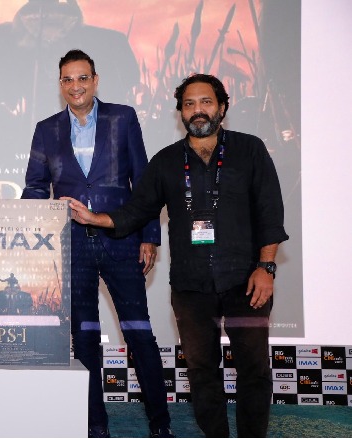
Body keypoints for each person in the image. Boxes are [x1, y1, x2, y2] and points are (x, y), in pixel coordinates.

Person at [64, 73, 289, 438]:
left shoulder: (250, 150)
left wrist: (266, 267)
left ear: (222, 107)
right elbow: (137, 210)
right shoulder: (167, 161)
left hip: (246, 281)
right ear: (180, 112)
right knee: (201, 371)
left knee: (253, 370)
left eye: (206, 102)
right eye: (189, 104)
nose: (198, 110)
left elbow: (270, 212)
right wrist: (95, 218)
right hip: (190, 286)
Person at [21, 49, 173, 438]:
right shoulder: (46, 129)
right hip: (71, 248)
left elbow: (143, 182)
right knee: (85, 337)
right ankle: (95, 425)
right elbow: (35, 187)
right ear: (60, 85)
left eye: (83, 78)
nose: (76, 86)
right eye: (68, 79)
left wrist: (149, 236)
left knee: (139, 333)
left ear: (95, 80)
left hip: (122, 241)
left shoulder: (123, 118)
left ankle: (160, 424)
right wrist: (15, 218)